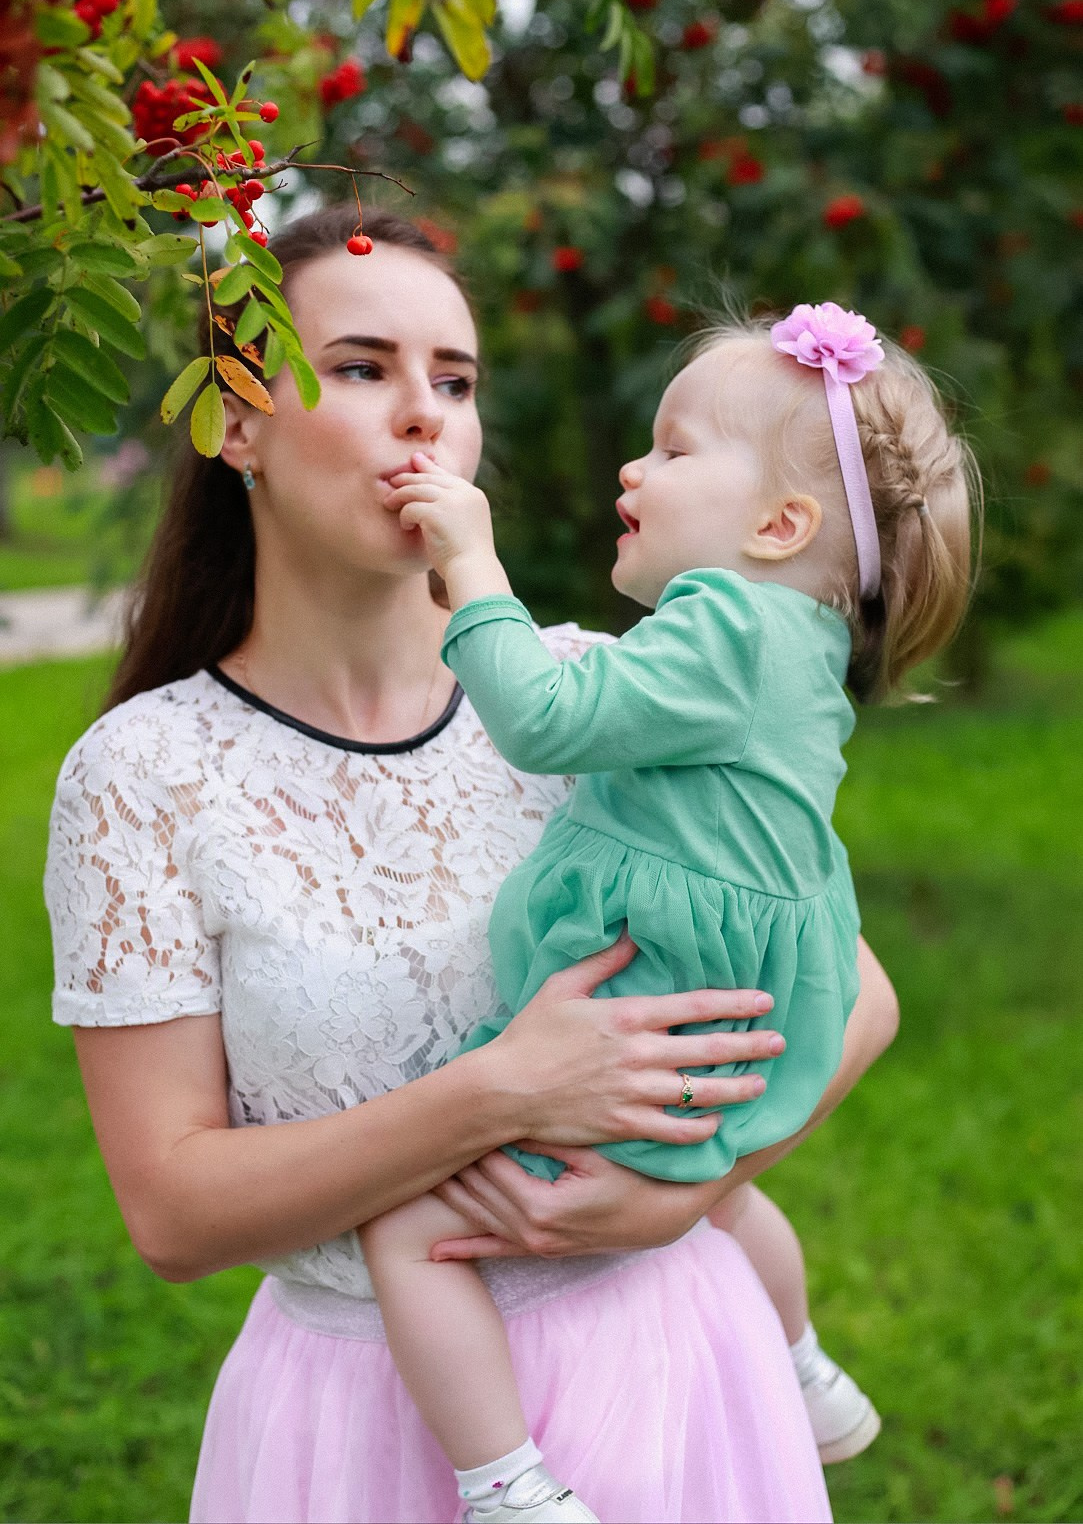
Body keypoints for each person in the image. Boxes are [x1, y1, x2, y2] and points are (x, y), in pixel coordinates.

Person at [44, 208, 901, 1524]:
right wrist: (503, 1089)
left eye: (453, 381)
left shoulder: (575, 691)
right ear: (236, 424)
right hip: (361, 1420)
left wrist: (682, 1197)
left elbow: (855, 988)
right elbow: (168, 1212)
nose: (423, 417)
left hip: (673, 1362)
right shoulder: (143, 777)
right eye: (359, 367)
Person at [358, 303, 977, 1521]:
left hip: (653, 989)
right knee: (725, 1193)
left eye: (677, 449)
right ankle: (803, 1367)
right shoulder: (793, 638)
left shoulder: (725, 622)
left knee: (403, 1220)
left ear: (780, 525)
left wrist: (473, 568)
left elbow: (544, 716)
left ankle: (503, 1485)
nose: (635, 468)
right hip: (750, 999)